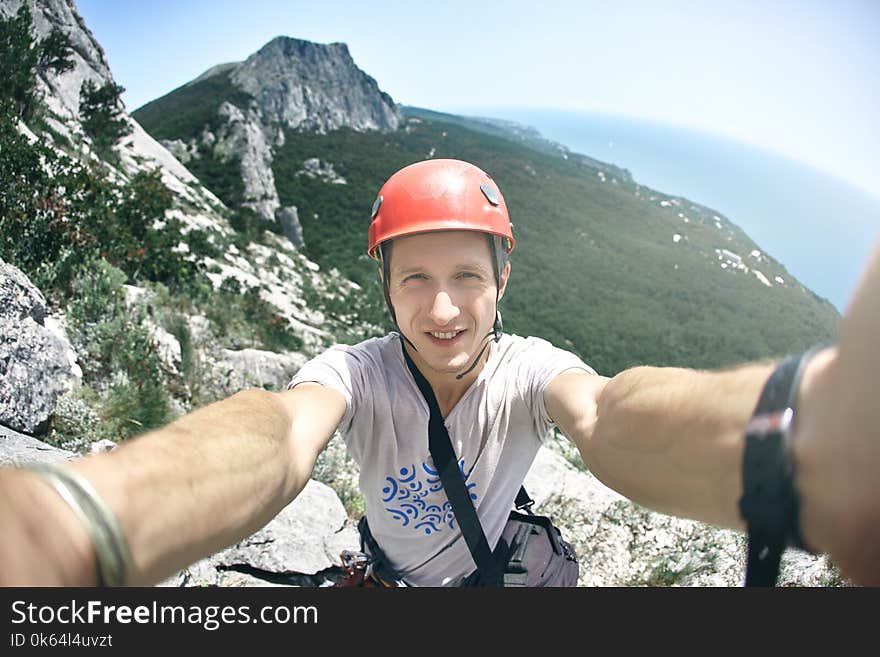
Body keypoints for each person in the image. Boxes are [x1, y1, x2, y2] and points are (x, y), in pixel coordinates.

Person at [0, 159, 877, 586]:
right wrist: (87, 515)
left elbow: (610, 417)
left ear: (503, 280)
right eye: (415, 278)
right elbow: (280, 434)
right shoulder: (357, 371)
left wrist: (789, 440)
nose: (443, 308)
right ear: (383, 285)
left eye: (466, 275)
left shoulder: (533, 370)